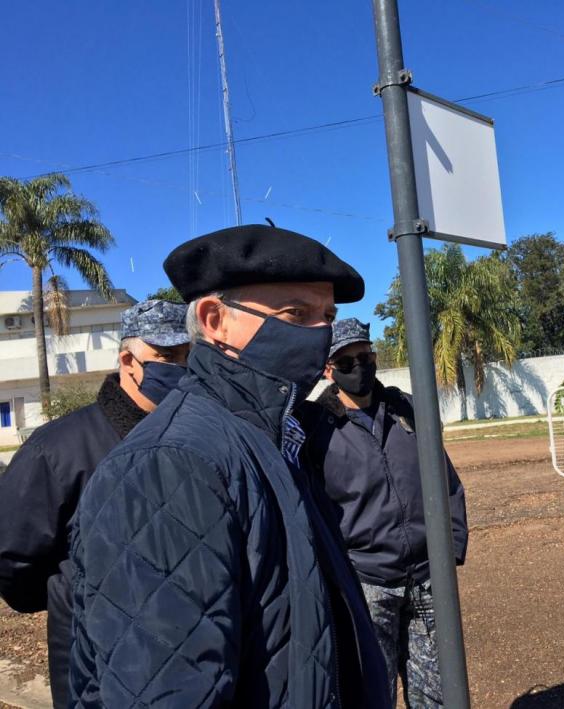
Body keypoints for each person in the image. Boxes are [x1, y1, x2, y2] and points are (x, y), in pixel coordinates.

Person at [69, 225, 388, 708]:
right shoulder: (172, 465)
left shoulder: (277, 437)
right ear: (215, 320)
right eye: (295, 314)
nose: (321, 334)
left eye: (327, 316)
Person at [0, 299, 190, 709]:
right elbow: (14, 557)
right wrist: (68, 594)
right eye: (168, 356)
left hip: (192, 655)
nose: (181, 368)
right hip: (95, 665)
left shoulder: (196, 438)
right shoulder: (55, 450)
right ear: (128, 360)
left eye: (190, 357)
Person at [298, 318, 468, 708]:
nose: (359, 367)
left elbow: (447, 478)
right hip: (366, 583)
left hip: (428, 577)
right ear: (328, 370)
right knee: (372, 694)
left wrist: (451, 546)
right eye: (345, 362)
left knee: (439, 694)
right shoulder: (315, 425)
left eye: (365, 356)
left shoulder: (404, 409)